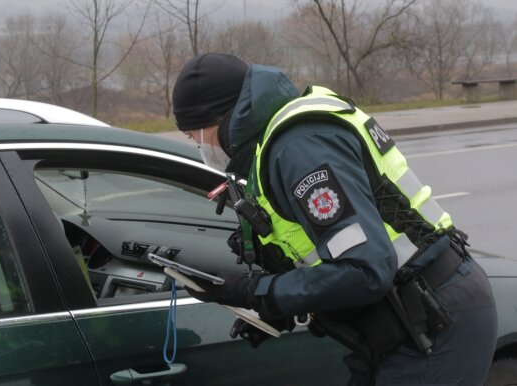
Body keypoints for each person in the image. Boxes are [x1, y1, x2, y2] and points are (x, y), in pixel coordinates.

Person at [171, 52, 497, 385]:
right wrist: (277, 310)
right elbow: (330, 255)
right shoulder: (279, 142)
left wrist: (258, 292)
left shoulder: (300, 149)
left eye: (194, 136)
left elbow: (364, 269)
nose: (199, 146)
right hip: (405, 318)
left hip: (435, 321)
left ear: (222, 118)